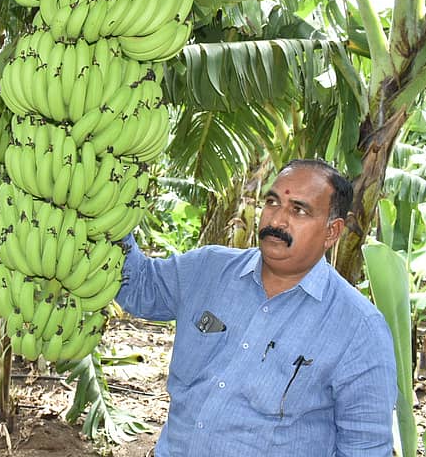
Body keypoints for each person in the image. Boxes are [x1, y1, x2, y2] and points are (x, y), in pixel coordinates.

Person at [115, 159, 397, 456]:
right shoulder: (207, 269)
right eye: (273, 202)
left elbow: (365, 448)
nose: (277, 221)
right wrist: (110, 211)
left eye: (298, 210)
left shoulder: (359, 329)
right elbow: (138, 286)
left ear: (332, 232)